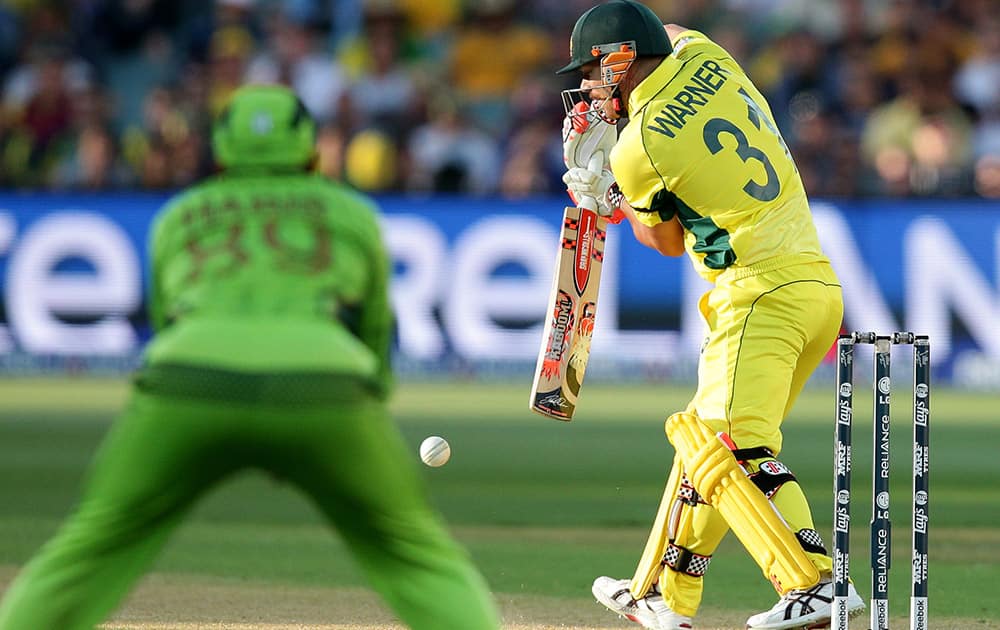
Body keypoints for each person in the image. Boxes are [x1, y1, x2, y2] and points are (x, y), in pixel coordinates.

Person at [0, 84, 501, 630]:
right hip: (326, 389)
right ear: (311, 150)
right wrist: (358, 418)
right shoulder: (352, 216)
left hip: (187, 384)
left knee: (90, 545)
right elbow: (376, 333)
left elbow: (169, 325)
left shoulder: (179, 217)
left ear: (220, 150)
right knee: (416, 556)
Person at [556, 2, 865, 629]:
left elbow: (665, 241)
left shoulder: (639, 148)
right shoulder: (704, 51)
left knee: (726, 446)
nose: (585, 89)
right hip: (816, 287)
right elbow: (666, 34)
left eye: (591, 73)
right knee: (704, 442)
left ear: (619, 61)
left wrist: (605, 192)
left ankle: (814, 581)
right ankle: (660, 595)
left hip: (758, 295)